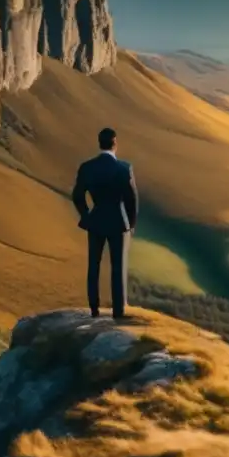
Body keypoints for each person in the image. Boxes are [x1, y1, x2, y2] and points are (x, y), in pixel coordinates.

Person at [71, 127, 139, 318]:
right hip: (118, 223)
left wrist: (87, 216)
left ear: (99, 143)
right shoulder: (124, 168)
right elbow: (132, 200)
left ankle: (94, 309)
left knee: (94, 265)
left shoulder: (87, 167)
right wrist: (131, 224)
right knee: (118, 267)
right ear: (115, 142)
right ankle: (118, 311)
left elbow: (77, 196)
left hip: (97, 221)